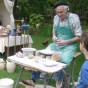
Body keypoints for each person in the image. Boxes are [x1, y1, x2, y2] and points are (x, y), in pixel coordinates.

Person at [19, 2, 82, 88]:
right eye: (57, 12)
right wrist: (54, 37)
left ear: (67, 10)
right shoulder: (56, 18)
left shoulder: (74, 18)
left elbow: (79, 36)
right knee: (41, 54)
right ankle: (33, 80)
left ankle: (59, 82)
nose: (59, 14)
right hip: (57, 44)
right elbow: (54, 30)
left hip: (70, 45)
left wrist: (66, 41)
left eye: (61, 12)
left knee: (63, 60)